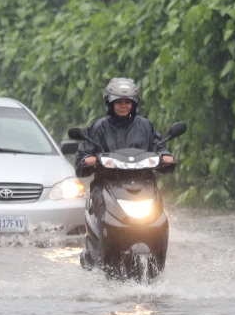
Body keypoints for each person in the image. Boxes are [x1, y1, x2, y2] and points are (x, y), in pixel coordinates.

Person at [75, 78, 175, 266]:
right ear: (109, 103)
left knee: (160, 218)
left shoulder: (146, 127)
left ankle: (159, 268)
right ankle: (105, 261)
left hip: (144, 185)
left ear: (134, 103)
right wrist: (87, 159)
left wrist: (165, 157)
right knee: (106, 215)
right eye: (118, 102)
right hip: (106, 186)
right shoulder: (98, 128)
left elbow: (159, 147)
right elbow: (82, 159)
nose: (123, 106)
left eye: (127, 101)